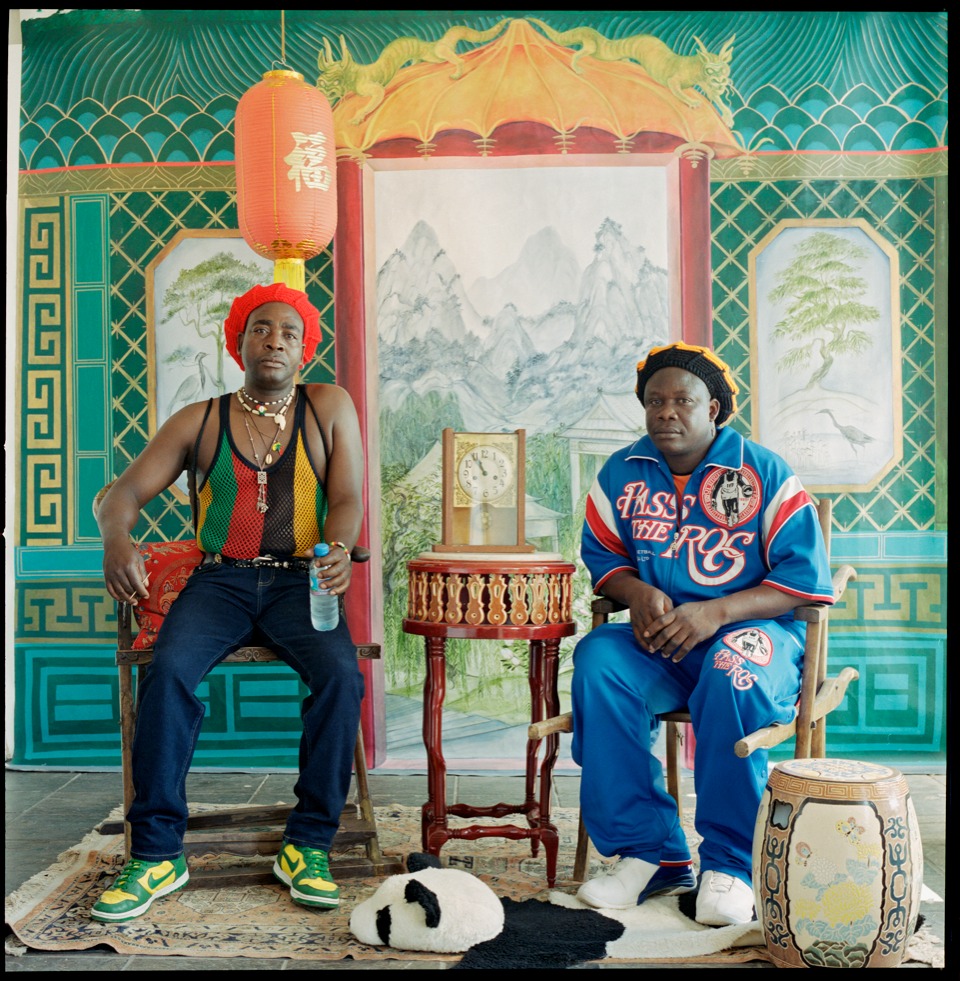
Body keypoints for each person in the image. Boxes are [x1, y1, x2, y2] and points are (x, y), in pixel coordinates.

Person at [91, 282, 366, 922]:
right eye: (261, 330)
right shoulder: (200, 418)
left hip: (304, 580)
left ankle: (307, 844)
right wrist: (115, 540)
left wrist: (339, 547)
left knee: (341, 678)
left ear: (305, 349)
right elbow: (121, 496)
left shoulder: (327, 405)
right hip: (220, 582)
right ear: (238, 341)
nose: (274, 341)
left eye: (289, 333)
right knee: (169, 673)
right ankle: (157, 853)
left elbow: (348, 496)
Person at [571, 341, 834, 926]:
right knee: (597, 660)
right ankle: (651, 853)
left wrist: (714, 614)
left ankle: (731, 864)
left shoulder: (764, 472)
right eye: (655, 401)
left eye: (682, 400)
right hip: (663, 644)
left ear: (712, 408)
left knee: (731, 668)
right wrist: (636, 594)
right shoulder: (621, 473)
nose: (666, 411)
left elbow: (802, 581)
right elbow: (605, 560)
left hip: (753, 636)